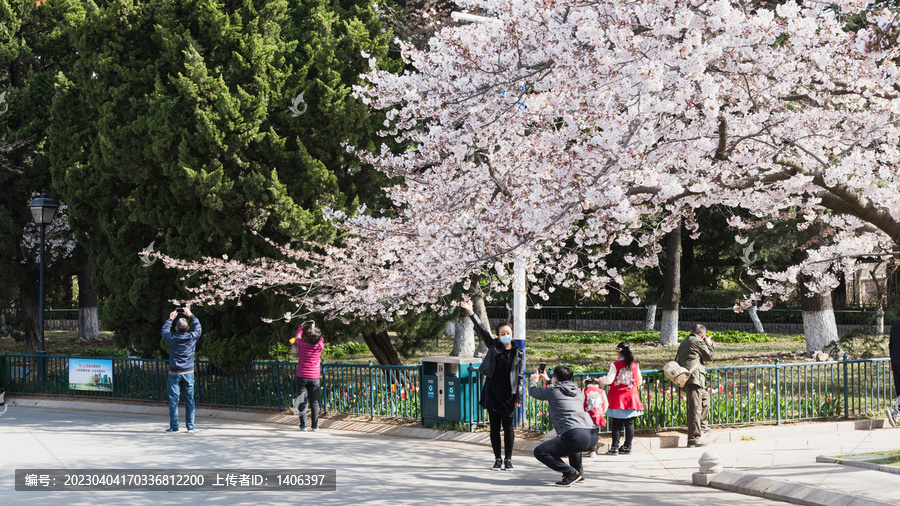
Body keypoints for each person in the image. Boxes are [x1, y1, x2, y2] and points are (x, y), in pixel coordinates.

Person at [459, 300, 524, 471]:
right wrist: (471, 312)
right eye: (502, 333)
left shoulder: (518, 353)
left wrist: (518, 397)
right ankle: (497, 459)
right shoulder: (493, 346)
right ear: (498, 336)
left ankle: (509, 460)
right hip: (492, 393)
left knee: (509, 429)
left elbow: (520, 377)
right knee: (494, 428)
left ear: (512, 333)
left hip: (508, 396)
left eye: (508, 332)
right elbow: (481, 330)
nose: (505, 335)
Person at [529, 364, 599, 486]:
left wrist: (533, 381)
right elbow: (562, 388)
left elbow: (534, 392)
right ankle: (579, 473)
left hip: (575, 435)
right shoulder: (577, 391)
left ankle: (571, 472)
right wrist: (549, 380)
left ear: (555, 378)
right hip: (592, 435)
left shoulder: (552, 390)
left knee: (540, 451)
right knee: (572, 444)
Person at [161, 308, 202, 433]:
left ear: (176, 329)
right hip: (188, 372)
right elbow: (199, 328)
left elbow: (164, 331)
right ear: (188, 328)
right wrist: (191, 315)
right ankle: (190, 427)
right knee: (190, 400)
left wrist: (170, 318)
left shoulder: (171, 338)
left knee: (173, 401)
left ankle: (174, 427)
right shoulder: (192, 337)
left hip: (174, 373)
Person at [597, 342, 643, 455]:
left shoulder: (615, 365)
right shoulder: (635, 365)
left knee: (616, 423)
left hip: (618, 397)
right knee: (629, 423)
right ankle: (628, 446)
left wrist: (599, 380)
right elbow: (639, 381)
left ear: (619, 352)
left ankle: (614, 447)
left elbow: (609, 380)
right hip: (631, 396)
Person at [676, 324, 715, 447]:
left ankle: (702, 426)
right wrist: (709, 343)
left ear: (691, 331)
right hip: (694, 379)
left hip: (689, 378)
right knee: (695, 408)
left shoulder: (686, 340)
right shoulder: (698, 342)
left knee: (704, 398)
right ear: (703, 335)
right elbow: (710, 356)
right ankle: (693, 439)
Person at [294, 321, 324, 431]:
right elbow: (321, 339)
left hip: (301, 376)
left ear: (307, 337)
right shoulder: (319, 346)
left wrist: (301, 326)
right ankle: (315, 426)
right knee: (314, 402)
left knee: (302, 401)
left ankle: (303, 426)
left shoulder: (302, 345)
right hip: (314, 377)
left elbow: (297, 336)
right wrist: (314, 327)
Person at [887, 320, 900, 427]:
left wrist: (891, 361)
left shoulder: (895, 325)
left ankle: (894, 413)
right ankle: (894, 411)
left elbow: (891, 345)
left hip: (896, 362)